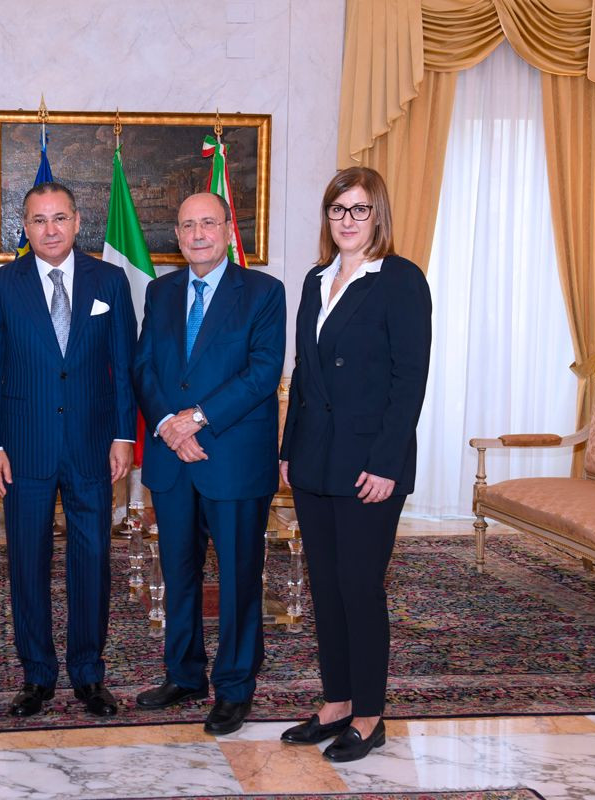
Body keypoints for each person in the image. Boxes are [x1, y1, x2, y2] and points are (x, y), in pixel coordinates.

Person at [278, 166, 431, 762]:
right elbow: (305, 375)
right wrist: (289, 450)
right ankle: (336, 702)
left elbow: (408, 379)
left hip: (370, 463)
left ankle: (369, 715)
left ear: (378, 216)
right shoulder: (316, 280)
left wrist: (387, 462)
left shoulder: (398, 280)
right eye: (338, 210)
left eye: (358, 210)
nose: (347, 221)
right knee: (324, 587)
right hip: (314, 460)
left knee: (360, 588)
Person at [0, 181, 138, 718]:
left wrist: (123, 435)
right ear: (24, 228)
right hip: (23, 449)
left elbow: (124, 367)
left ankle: (89, 675)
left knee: (92, 561)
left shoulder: (109, 281)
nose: (50, 229)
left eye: (60, 218)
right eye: (39, 220)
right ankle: (37, 675)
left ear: (77, 222)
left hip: (95, 447)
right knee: (28, 563)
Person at [132, 192, 286, 735]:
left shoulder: (264, 292)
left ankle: (236, 687)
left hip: (233, 458)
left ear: (228, 229)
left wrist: (194, 419)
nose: (198, 234)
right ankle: (185, 674)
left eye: (208, 223)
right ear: (176, 235)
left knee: (241, 575)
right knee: (178, 574)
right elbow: (144, 365)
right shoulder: (160, 290)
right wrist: (170, 429)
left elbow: (264, 372)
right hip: (174, 459)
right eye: (187, 224)